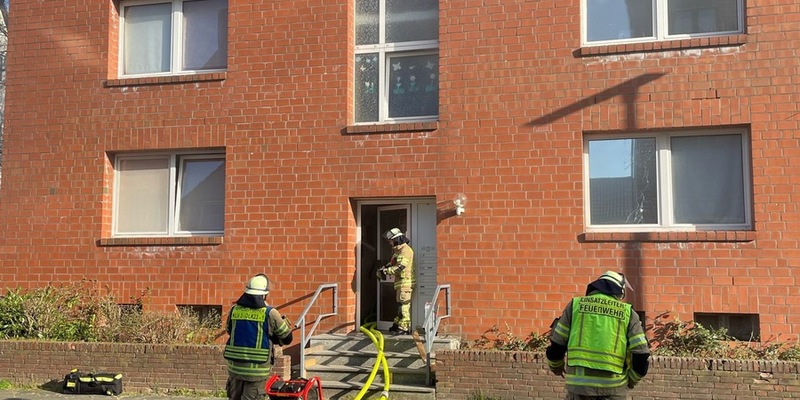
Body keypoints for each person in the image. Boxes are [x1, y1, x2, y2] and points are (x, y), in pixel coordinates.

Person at [546, 271, 650, 400]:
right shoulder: (628, 313)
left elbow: (557, 344)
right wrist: (632, 380)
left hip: (579, 388)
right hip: (614, 389)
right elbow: (641, 354)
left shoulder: (575, 306)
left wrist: (556, 366)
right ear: (620, 291)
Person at [223, 274, 293, 400]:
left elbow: (229, 331)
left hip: (235, 368)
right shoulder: (270, 313)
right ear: (264, 295)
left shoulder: (234, 310)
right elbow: (287, 338)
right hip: (256, 371)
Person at [377, 228, 415, 335]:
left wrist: (385, 271)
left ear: (397, 239)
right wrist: (383, 268)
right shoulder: (397, 251)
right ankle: (396, 325)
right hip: (400, 283)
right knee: (399, 305)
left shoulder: (406, 251)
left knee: (404, 306)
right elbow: (392, 263)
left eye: (391, 240)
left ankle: (404, 327)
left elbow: (400, 267)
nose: (389, 242)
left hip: (406, 283)